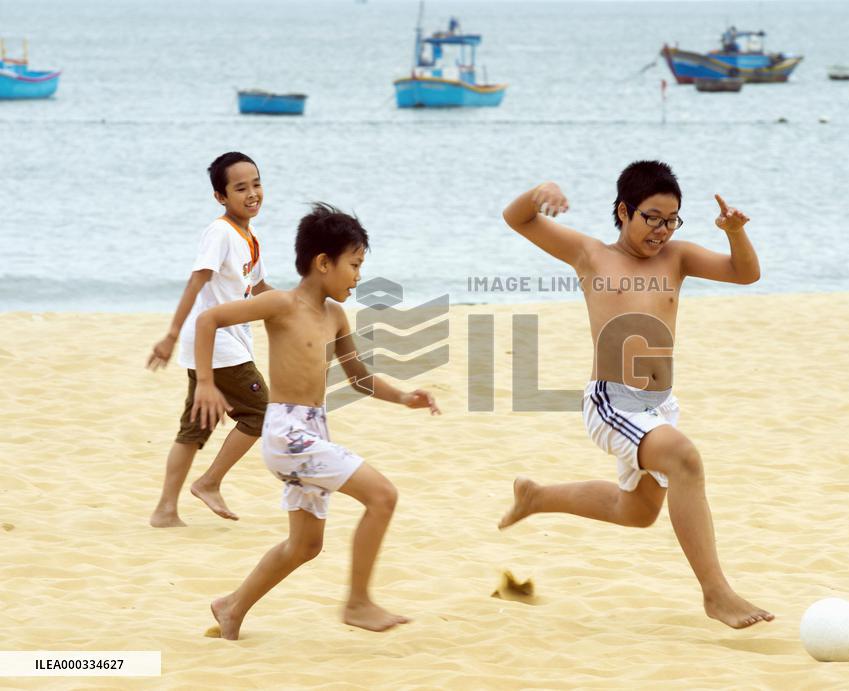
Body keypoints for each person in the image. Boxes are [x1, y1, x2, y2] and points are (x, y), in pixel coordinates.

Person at [497, 160, 774, 629]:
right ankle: (717, 593)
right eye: (652, 218)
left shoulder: (678, 258)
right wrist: (538, 190)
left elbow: (745, 274)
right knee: (685, 459)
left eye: (671, 220)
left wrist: (734, 233)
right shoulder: (591, 255)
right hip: (612, 403)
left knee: (639, 511)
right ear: (624, 211)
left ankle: (537, 497)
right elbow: (516, 218)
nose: (662, 231)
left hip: (659, 404)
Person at [193, 203, 440, 638]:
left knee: (305, 545)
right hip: (287, 434)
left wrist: (403, 397)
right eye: (355, 265)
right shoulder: (280, 305)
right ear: (323, 263)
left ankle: (231, 607)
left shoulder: (336, 316)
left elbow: (360, 379)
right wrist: (207, 383)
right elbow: (209, 319)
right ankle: (358, 602)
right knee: (383, 496)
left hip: (314, 429)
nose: (359, 276)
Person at [148, 152, 272, 527]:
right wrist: (170, 335)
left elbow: (262, 288)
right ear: (221, 197)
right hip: (217, 346)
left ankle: (164, 510)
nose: (251, 194)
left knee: (196, 426)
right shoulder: (219, 233)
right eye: (240, 188)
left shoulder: (249, 236)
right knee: (261, 412)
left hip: (218, 344)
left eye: (256, 184)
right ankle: (210, 481)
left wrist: (303, 307)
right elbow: (196, 282)